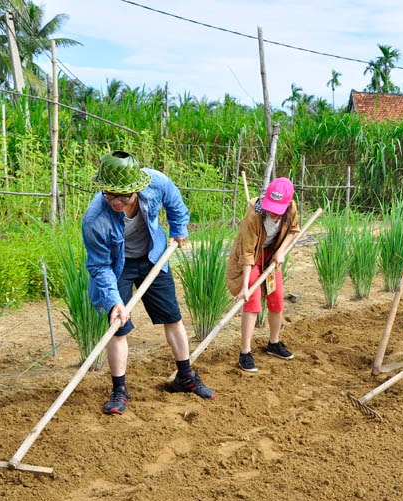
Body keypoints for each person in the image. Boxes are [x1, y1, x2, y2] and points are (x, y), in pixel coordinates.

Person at [83, 151, 215, 416]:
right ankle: (119, 389)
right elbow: (99, 266)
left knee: (173, 317)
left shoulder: (156, 182)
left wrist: (179, 229)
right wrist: (114, 302)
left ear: (137, 189)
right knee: (118, 326)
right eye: (110, 195)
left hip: (154, 256)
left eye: (124, 196)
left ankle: (185, 376)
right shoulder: (94, 219)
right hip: (116, 267)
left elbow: (175, 203)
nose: (117, 202)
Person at [226, 177, 300, 373]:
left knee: (276, 298)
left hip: (271, 255)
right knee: (252, 300)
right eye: (271, 209)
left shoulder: (291, 209)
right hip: (250, 256)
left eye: (278, 210)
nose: (274, 214)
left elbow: (293, 231)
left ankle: (274, 344)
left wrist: (280, 251)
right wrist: (244, 288)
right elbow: (248, 254)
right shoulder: (253, 215)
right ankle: (245, 353)